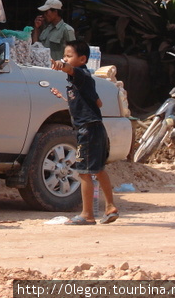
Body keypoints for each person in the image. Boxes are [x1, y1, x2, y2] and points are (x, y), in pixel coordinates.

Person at [50, 40, 119, 225]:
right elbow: (98, 103)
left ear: (82, 59)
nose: (65, 58)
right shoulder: (83, 82)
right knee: (98, 169)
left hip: (87, 130)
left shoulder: (80, 74)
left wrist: (61, 65)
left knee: (84, 172)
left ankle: (87, 215)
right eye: (64, 55)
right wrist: (67, 99)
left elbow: (70, 69)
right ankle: (110, 206)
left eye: (69, 56)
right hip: (95, 128)